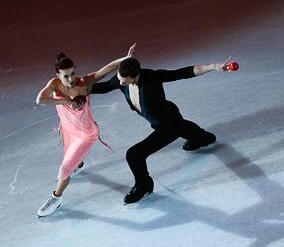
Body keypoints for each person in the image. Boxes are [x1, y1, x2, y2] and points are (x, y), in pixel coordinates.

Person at [91, 55, 233, 204]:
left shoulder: (152, 77)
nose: (119, 83)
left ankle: (144, 185)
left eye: (123, 81)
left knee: (134, 155)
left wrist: (214, 66)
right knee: (188, 130)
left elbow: (184, 73)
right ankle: (205, 138)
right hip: (166, 120)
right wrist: (76, 90)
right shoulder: (122, 79)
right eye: (119, 78)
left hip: (168, 125)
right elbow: (105, 87)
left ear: (135, 75)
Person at [35, 44, 136, 217]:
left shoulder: (84, 83)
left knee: (64, 169)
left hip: (85, 133)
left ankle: (56, 198)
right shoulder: (54, 84)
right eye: (65, 76)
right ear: (58, 75)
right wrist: (65, 102)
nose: (70, 78)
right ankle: (79, 164)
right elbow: (40, 100)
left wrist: (126, 59)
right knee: (70, 156)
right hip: (67, 127)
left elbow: (107, 69)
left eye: (72, 73)